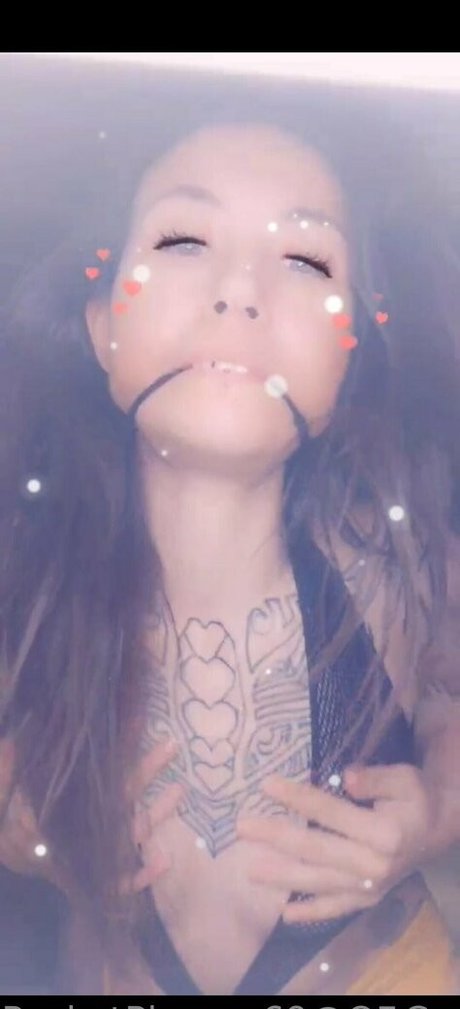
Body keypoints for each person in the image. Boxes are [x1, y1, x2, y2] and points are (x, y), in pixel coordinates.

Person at [1, 115, 460, 996]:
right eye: (183, 240)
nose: (241, 289)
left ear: (350, 356)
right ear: (100, 328)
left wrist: (438, 807)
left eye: (306, 260)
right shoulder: (29, 568)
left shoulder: (402, 560)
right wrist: (14, 813)